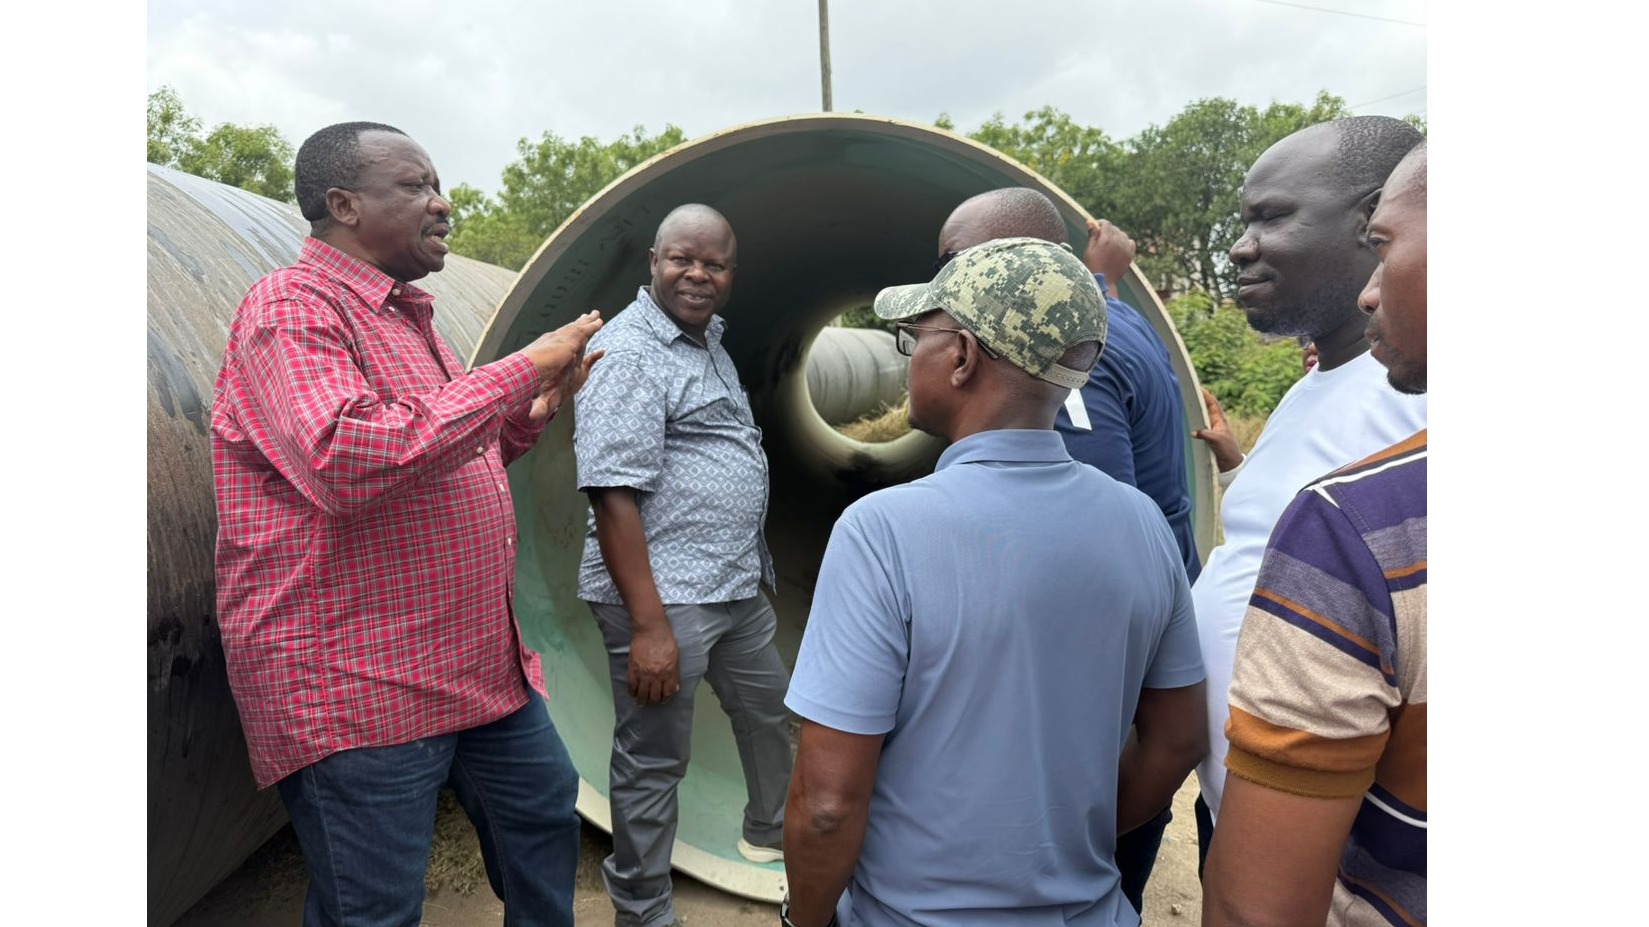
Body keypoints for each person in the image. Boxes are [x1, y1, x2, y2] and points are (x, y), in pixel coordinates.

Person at [211, 122, 603, 927]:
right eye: (417, 186)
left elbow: (452, 446)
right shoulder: (291, 309)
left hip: (475, 669)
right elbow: (346, 456)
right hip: (362, 682)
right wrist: (520, 364)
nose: (444, 202)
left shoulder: (407, 316)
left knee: (541, 810)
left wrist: (529, 410)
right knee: (375, 906)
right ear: (344, 204)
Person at [781, 237, 1207, 927]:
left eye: (912, 336)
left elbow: (827, 805)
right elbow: (1178, 736)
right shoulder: (1141, 524)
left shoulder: (882, 531)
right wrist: (1069, 848)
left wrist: (801, 921)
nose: (908, 354)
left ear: (960, 356)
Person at [930, 187, 1199, 914]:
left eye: (954, 263)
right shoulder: (1117, 320)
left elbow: (1072, 549)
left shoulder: (1049, 364)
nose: (941, 287)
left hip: (1097, 697)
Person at [1188, 116, 1428, 866]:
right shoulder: (1322, 382)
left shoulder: (1416, 403)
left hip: (1344, 865)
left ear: (1367, 223)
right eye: (1242, 219)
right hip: (1248, 819)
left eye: (1271, 215)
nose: (1239, 244)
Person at [572, 203, 794, 927]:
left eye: (715, 263)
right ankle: (642, 910)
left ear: (732, 272)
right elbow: (611, 492)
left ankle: (767, 831)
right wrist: (649, 625)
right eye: (682, 259)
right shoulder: (632, 351)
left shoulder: (705, 341)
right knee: (652, 761)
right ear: (654, 262)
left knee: (770, 711)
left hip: (732, 585)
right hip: (665, 599)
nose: (698, 273)